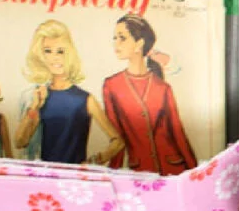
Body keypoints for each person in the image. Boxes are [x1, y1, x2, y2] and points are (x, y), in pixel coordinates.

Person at [14, 20, 125, 165]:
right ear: (41, 56)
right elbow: (20, 142)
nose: (55, 57)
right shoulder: (40, 97)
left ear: (69, 53)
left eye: (60, 51)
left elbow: (118, 142)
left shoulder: (85, 99)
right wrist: (34, 107)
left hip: (75, 178)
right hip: (46, 176)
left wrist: (95, 161)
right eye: (48, 51)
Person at [102, 14, 197, 175]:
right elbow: (117, 138)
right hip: (140, 170)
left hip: (173, 168)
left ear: (139, 43)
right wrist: (112, 175)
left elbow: (178, 134)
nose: (115, 43)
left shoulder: (163, 88)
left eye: (122, 38)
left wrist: (196, 173)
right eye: (114, 38)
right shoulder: (112, 86)